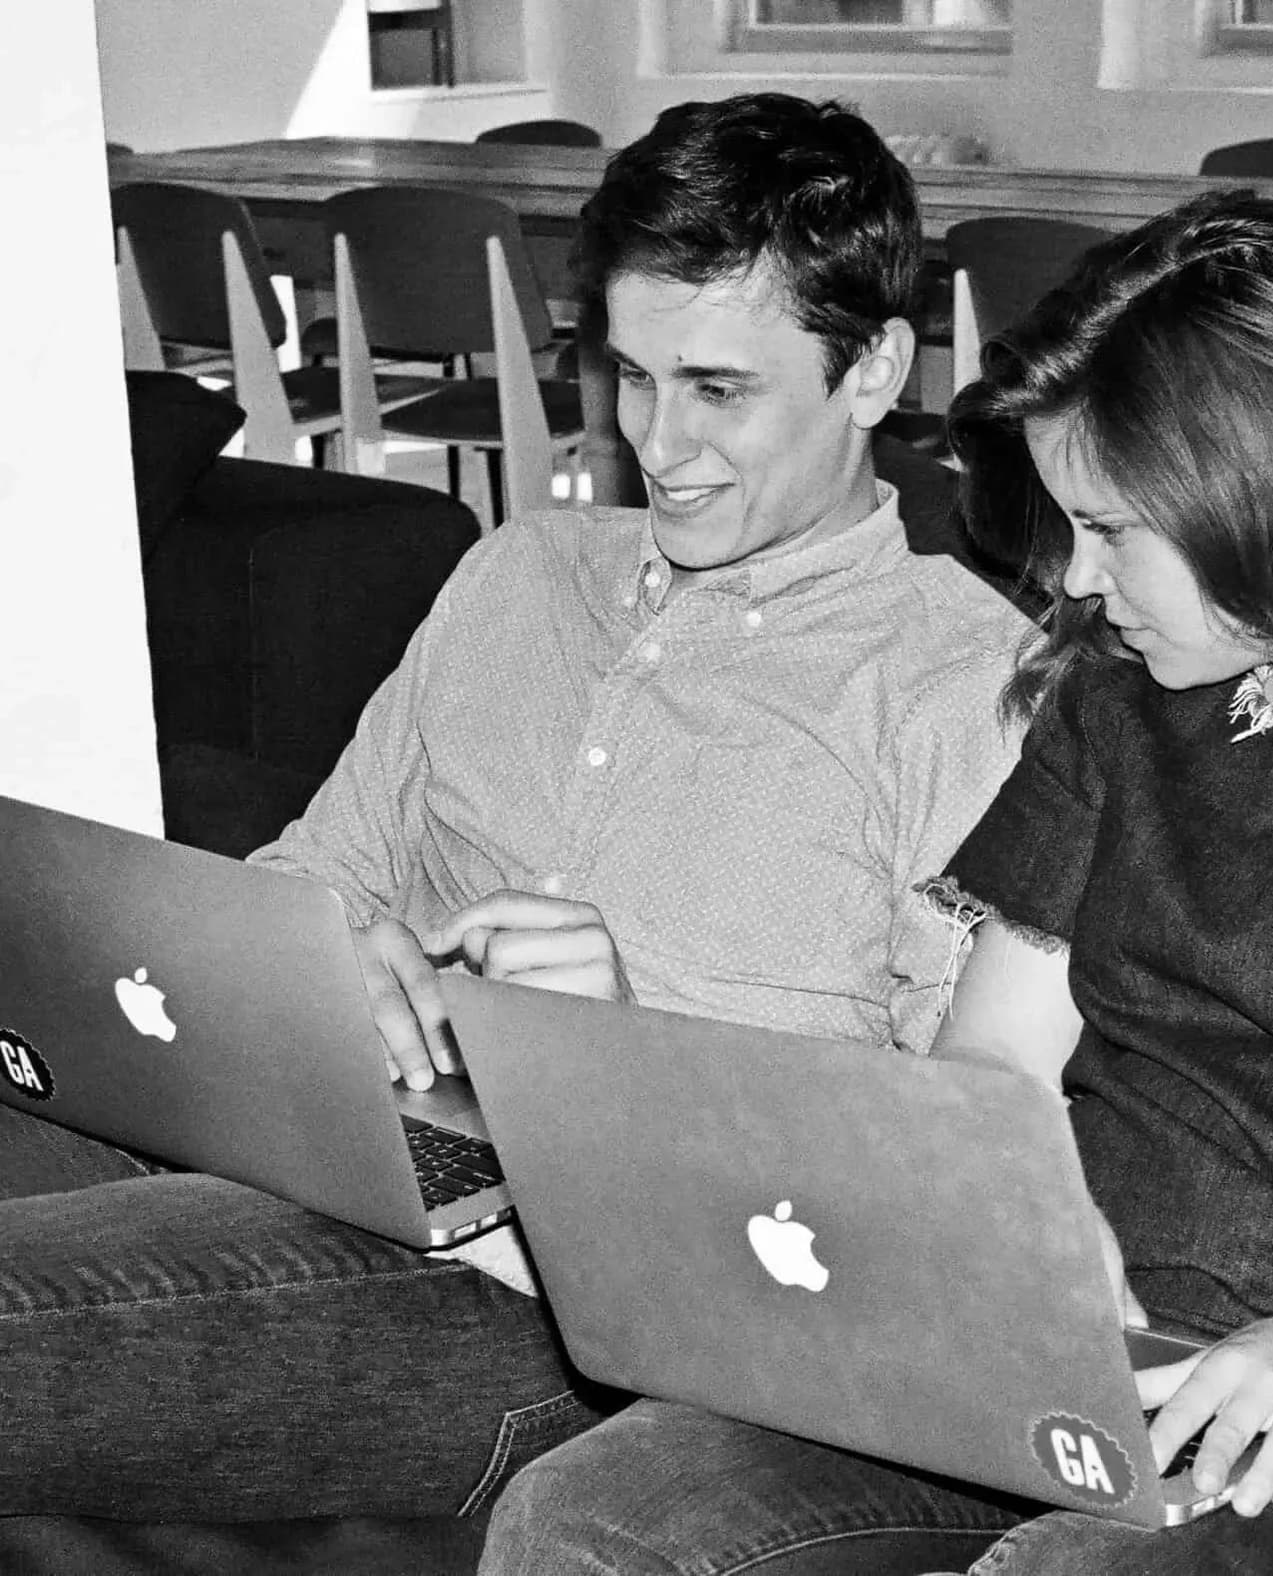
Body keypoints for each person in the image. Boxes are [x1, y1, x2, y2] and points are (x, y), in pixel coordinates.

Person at [0, 91, 1030, 1556]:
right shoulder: (519, 575)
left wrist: (628, 1055)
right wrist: (328, 960)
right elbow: (317, 869)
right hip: (333, 1139)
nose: (658, 441)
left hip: (569, 1301)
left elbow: (952, 1178)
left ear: (874, 370)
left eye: (719, 391)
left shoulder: (964, 690)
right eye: (629, 374)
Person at [474, 190, 1273, 1575]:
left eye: (1113, 531)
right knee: (599, 1520)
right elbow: (994, 1055)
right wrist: (1028, 1238)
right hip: (1067, 1354)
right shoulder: (1123, 695)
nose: (1079, 581)